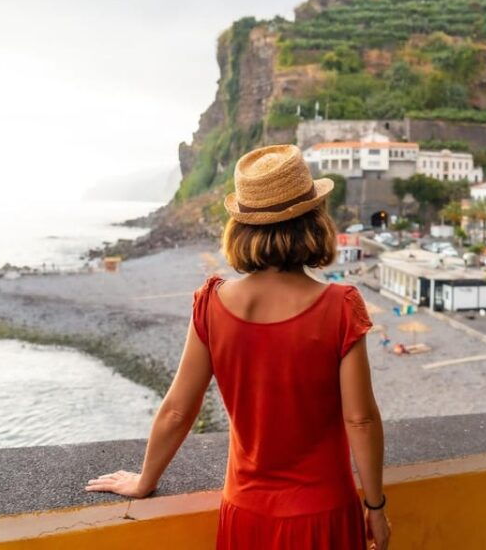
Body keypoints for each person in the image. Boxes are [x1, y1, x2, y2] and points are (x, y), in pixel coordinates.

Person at [85, 145, 390, 550]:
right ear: (315, 222)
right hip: (322, 514)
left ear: (242, 228)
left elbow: (178, 410)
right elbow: (361, 420)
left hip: (246, 514)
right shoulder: (341, 306)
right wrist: (375, 506)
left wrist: (145, 481)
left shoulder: (211, 303)